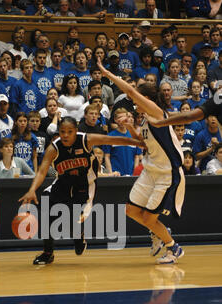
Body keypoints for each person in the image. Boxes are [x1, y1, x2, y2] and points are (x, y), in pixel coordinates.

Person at [18, 116, 145, 265]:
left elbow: (113, 140)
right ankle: (48, 253)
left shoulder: (86, 140)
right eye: (62, 131)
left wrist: (138, 142)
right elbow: (41, 171)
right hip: (63, 183)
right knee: (47, 211)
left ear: (76, 131)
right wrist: (32, 189)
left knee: (71, 217)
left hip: (85, 185)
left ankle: (78, 236)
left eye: (69, 131)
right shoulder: (54, 148)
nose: (65, 135)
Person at [97, 60, 186, 264]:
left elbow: (129, 89)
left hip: (166, 173)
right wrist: (129, 126)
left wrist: (107, 73)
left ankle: (174, 248)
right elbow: (142, 143)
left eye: (136, 97)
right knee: (130, 210)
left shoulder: (156, 112)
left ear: (145, 98)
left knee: (148, 218)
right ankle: (158, 232)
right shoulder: (145, 119)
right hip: (151, 170)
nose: (132, 100)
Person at [104, 107, 142, 176]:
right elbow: (107, 156)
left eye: (125, 117)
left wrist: (135, 173)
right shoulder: (110, 137)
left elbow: (137, 156)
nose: (122, 120)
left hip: (131, 174)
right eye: (120, 117)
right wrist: (110, 173)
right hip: (116, 174)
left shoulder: (134, 136)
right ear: (115, 119)